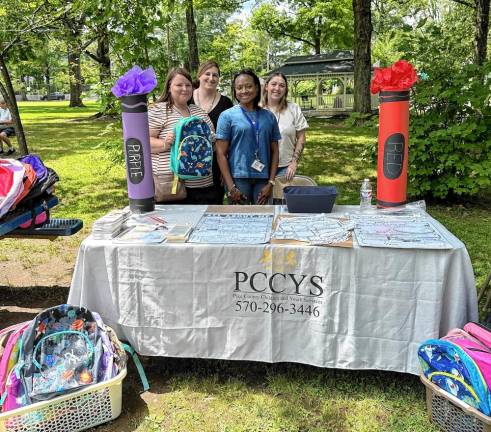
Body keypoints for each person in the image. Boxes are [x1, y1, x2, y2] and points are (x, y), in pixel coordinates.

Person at [148, 67, 215, 204]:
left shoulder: (199, 112)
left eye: (188, 85)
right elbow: (143, 143)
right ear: (169, 87)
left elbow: (213, 144)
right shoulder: (159, 110)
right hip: (171, 183)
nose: (184, 89)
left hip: (201, 182)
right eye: (179, 85)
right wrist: (165, 144)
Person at [216, 69, 280, 205]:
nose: (244, 91)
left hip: (263, 178)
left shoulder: (269, 117)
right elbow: (220, 154)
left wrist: (271, 182)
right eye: (239, 87)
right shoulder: (227, 116)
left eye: (248, 86)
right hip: (238, 179)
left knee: (264, 220)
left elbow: (275, 151)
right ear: (235, 91)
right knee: (238, 222)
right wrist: (231, 187)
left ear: (257, 88)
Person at [192, 61, 233, 204]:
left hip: (216, 162)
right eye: (207, 74)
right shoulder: (187, 98)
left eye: (215, 75)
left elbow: (230, 138)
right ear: (199, 76)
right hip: (188, 161)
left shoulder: (226, 103)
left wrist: (225, 169)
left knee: (214, 204)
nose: (211, 78)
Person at [262, 73, 308, 181]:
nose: (277, 88)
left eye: (282, 85)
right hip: (261, 168)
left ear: (285, 89)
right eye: (274, 84)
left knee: (281, 197)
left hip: (285, 167)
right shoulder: (257, 109)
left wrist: (294, 162)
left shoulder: (293, 108)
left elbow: (301, 137)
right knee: (261, 198)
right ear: (266, 86)